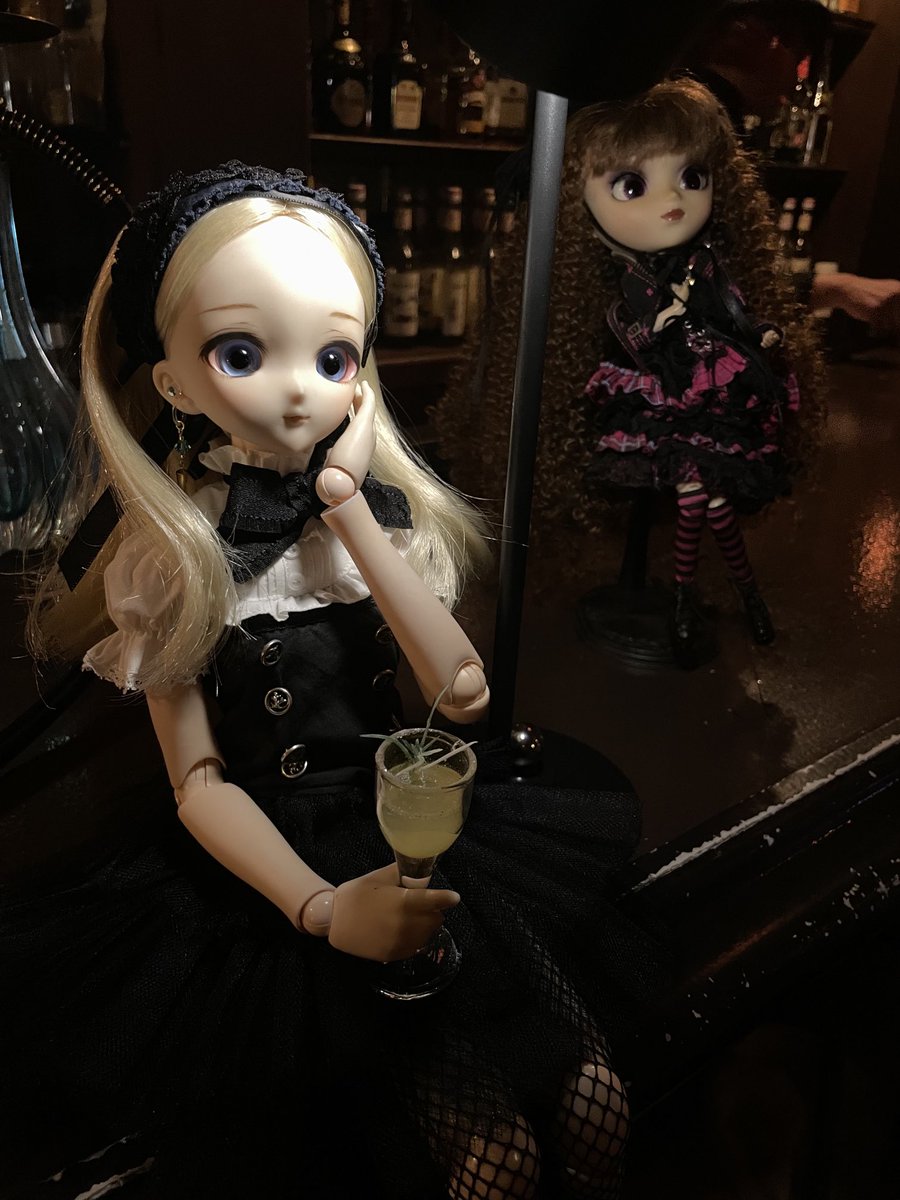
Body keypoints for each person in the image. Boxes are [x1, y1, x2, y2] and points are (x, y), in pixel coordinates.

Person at [2, 162, 653, 1199]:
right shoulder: (169, 560)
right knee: (489, 1167)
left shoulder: (370, 522)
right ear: (172, 384)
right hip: (278, 859)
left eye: (335, 354)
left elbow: (463, 694)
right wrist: (316, 907)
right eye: (240, 352)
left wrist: (349, 507)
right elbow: (198, 784)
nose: (300, 387)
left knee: (598, 1105)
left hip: (413, 814)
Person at [434, 79, 824, 666]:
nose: (672, 201)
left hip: (714, 400)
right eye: (631, 185)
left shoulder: (708, 267)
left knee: (713, 503)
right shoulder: (615, 293)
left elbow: (739, 312)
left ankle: (735, 596)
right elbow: (632, 338)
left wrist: (758, 335)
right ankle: (691, 598)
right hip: (657, 404)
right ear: (577, 200)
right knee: (694, 498)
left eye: (692, 176)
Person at [685, 0, 900, 332]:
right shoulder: (697, 129)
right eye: (797, 56)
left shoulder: (697, 116)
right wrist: (832, 289)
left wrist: (836, 289)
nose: (795, 80)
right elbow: (697, 289)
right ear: (747, 32)